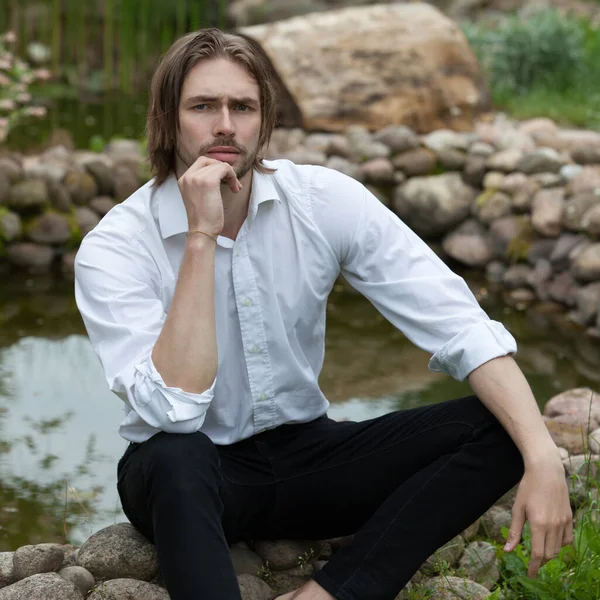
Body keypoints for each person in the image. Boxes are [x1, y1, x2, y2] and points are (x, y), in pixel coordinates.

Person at [74, 28, 572, 600]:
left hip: (306, 456)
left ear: (266, 118)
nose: (225, 126)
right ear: (168, 119)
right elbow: (174, 409)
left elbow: (458, 322)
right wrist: (201, 236)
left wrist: (542, 456)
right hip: (189, 476)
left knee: (501, 424)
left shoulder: (321, 200)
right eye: (203, 106)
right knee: (173, 455)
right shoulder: (117, 245)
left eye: (243, 106)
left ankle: (336, 592)